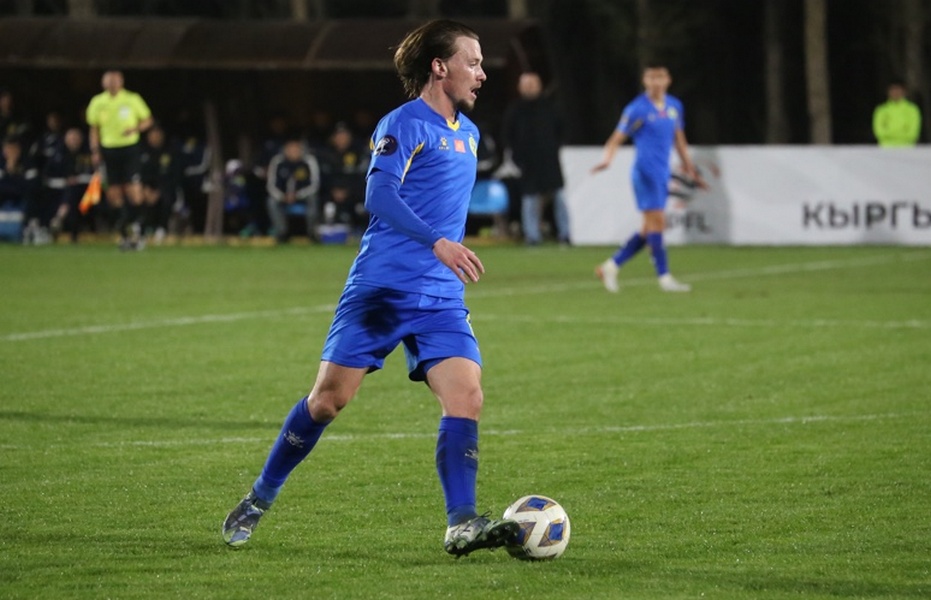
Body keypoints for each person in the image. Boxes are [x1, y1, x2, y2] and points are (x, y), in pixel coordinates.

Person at [221, 19, 519, 558]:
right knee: (327, 402)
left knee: (467, 397)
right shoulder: (403, 124)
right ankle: (261, 496)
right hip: (382, 289)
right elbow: (379, 196)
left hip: (440, 297)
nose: (481, 74)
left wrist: (443, 252)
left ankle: (461, 522)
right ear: (439, 67)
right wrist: (437, 242)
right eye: (472, 62)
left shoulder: (470, 134)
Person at [591, 64, 706, 293]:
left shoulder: (674, 106)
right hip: (645, 172)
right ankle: (664, 278)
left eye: (660, 77)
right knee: (658, 223)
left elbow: (679, 141)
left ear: (668, 80)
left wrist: (690, 169)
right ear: (645, 81)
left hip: (662, 172)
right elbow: (615, 139)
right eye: (652, 78)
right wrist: (607, 159)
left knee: (648, 229)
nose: (656, 82)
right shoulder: (637, 109)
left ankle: (610, 267)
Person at [85, 70, 154, 250]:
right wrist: (95, 150)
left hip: (129, 149)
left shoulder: (132, 99)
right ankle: (124, 233)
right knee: (113, 194)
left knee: (134, 191)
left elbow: (148, 120)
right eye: (108, 81)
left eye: (115, 81)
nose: (112, 84)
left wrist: (135, 128)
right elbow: (94, 129)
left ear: (121, 82)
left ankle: (138, 228)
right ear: (103, 83)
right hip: (108, 150)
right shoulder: (97, 102)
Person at [501, 72, 570, 245]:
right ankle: (532, 236)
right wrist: (516, 157)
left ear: (539, 86)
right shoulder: (515, 110)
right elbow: (507, 135)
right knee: (529, 200)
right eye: (526, 84)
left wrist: (554, 148)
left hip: (550, 161)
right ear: (520, 87)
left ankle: (565, 234)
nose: (530, 88)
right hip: (527, 162)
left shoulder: (550, 108)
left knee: (559, 198)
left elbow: (562, 130)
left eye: (532, 84)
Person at [265, 137, 321, 243]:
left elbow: (314, 185)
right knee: (271, 201)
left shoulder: (309, 161)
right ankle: (281, 233)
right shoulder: (277, 161)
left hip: (303, 196)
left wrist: (297, 195)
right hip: (283, 196)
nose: (293, 152)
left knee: (313, 199)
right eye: (290, 149)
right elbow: (271, 185)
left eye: (296, 149)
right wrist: (282, 196)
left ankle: (312, 233)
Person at [872, 82, 922, 147]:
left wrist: (891, 134)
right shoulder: (881, 110)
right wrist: (900, 133)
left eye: (898, 90)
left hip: (907, 148)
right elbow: (879, 132)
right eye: (893, 90)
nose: (895, 92)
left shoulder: (913, 109)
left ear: (904, 92)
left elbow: (913, 133)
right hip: (886, 148)